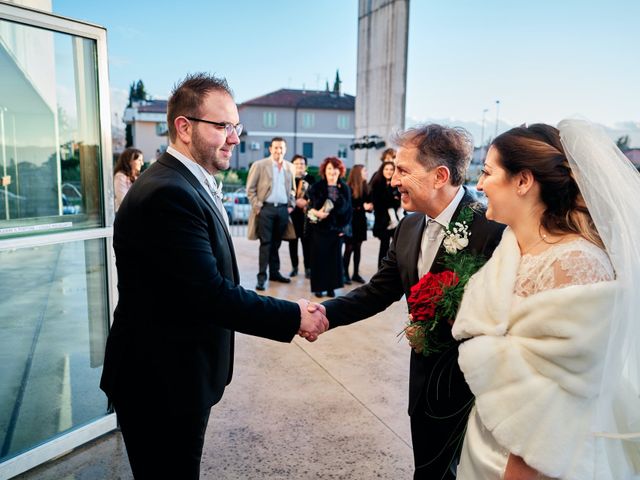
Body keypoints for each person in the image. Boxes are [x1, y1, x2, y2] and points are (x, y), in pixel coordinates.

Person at [99, 73, 328, 480]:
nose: (234, 138)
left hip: (178, 374)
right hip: (160, 383)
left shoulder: (187, 181)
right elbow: (210, 294)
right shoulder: (168, 193)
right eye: (222, 126)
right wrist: (294, 315)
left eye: (235, 126)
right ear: (184, 127)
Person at [310, 124, 505, 479]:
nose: (393, 180)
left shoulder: (493, 230)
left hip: (478, 393)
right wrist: (323, 313)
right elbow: (377, 292)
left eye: (403, 171)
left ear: (439, 176)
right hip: (425, 389)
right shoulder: (407, 227)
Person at [452, 121, 640, 479]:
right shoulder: (512, 246)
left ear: (523, 181)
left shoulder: (576, 263)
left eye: (488, 172)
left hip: (540, 463)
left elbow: (560, 407)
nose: (478, 184)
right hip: (490, 441)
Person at [246, 137, 295, 290]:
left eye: (281, 148)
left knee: (276, 244)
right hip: (265, 209)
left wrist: (290, 205)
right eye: (275, 148)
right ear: (270, 149)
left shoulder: (290, 167)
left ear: (285, 149)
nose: (278, 150)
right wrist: (257, 205)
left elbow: (292, 189)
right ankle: (261, 278)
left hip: (282, 210)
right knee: (265, 244)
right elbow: (250, 189)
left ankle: (275, 273)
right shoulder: (260, 165)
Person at [306, 156, 352, 298]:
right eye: (330, 169)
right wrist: (317, 212)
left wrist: (343, 229)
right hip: (319, 229)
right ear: (324, 171)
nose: (332, 172)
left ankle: (331, 287)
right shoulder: (317, 187)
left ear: (340, 171)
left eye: (335, 169)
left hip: (336, 231)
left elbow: (349, 211)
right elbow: (312, 207)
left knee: (334, 260)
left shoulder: (344, 188)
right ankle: (319, 288)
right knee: (319, 259)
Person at [343, 164, 372, 284]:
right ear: (357, 173)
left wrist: (369, 207)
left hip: (361, 221)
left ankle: (355, 273)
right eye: (364, 171)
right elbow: (347, 206)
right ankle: (344, 273)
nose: (366, 173)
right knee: (349, 248)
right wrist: (362, 206)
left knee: (358, 248)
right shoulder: (348, 188)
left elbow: (368, 202)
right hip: (351, 221)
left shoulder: (365, 186)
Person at [288, 154, 315, 278]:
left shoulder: (311, 179)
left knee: (307, 244)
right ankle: (294, 268)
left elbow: (316, 196)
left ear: (306, 166)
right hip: (292, 216)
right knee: (292, 243)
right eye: (297, 163)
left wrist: (307, 202)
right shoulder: (288, 178)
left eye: (302, 163)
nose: (299, 166)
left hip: (306, 216)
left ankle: (308, 268)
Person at [369, 160, 401, 267]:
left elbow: (399, 202)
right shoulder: (377, 185)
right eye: (386, 169)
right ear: (382, 170)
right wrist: (393, 200)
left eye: (391, 169)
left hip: (396, 221)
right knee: (384, 247)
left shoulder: (396, 185)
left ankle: (393, 272)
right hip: (383, 222)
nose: (389, 171)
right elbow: (379, 205)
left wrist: (392, 201)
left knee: (396, 249)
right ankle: (381, 270)